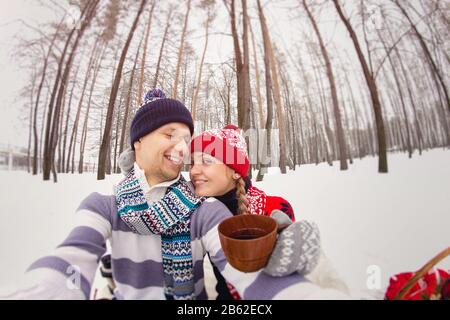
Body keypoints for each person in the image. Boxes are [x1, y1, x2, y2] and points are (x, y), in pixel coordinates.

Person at [2, 89, 348, 300]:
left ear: (235, 171)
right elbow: (71, 260)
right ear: (137, 145)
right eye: (170, 135)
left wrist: (298, 257)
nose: (185, 154)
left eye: (188, 140)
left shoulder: (208, 209)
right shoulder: (104, 207)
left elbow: (249, 273)